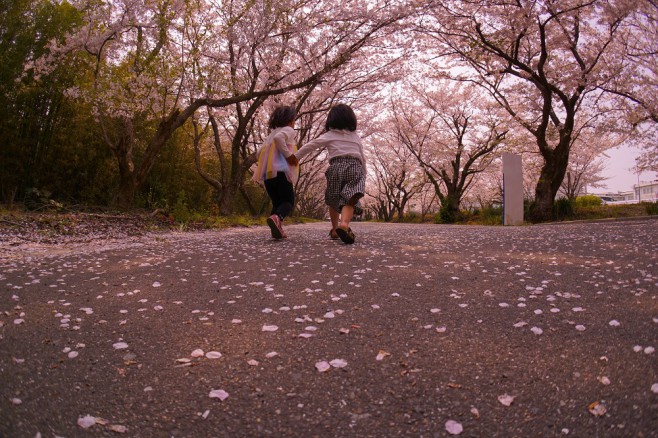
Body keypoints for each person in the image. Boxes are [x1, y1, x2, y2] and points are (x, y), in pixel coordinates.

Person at [291, 104, 365, 244]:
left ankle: (335, 229)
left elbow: (311, 145)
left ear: (331, 120)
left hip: (336, 167)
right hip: (355, 166)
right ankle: (344, 224)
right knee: (350, 199)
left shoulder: (330, 135)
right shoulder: (356, 137)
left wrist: (296, 157)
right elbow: (362, 156)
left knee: (333, 199)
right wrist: (364, 173)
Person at [253, 105, 299, 239]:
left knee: (277, 203)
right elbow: (279, 139)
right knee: (288, 201)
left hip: (268, 174)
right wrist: (288, 155)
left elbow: (258, 153)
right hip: (281, 172)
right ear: (290, 120)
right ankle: (277, 218)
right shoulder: (288, 130)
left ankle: (276, 229)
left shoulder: (270, 134)